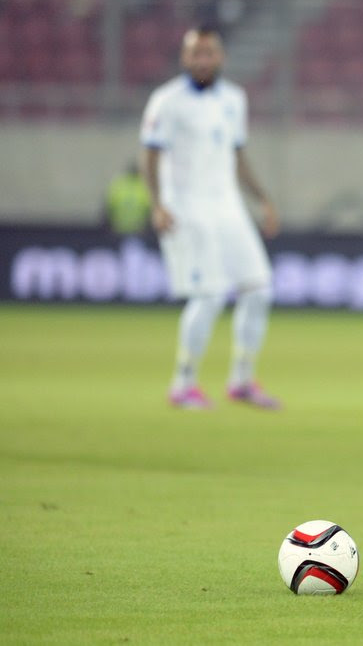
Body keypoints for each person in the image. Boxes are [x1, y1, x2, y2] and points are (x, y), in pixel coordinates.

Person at [140, 26, 281, 410]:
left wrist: (263, 200)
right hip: (186, 205)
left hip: (228, 204)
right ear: (184, 58)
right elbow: (150, 155)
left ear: (222, 57)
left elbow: (237, 155)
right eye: (195, 54)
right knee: (211, 294)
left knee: (259, 289)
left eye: (209, 53)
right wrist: (157, 204)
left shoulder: (235, 99)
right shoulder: (167, 101)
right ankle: (183, 383)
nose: (203, 60)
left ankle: (242, 381)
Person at [103, 159, 152, 236]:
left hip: (119, 229)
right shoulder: (143, 185)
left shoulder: (118, 184)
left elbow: (108, 207)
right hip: (137, 230)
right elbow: (149, 210)